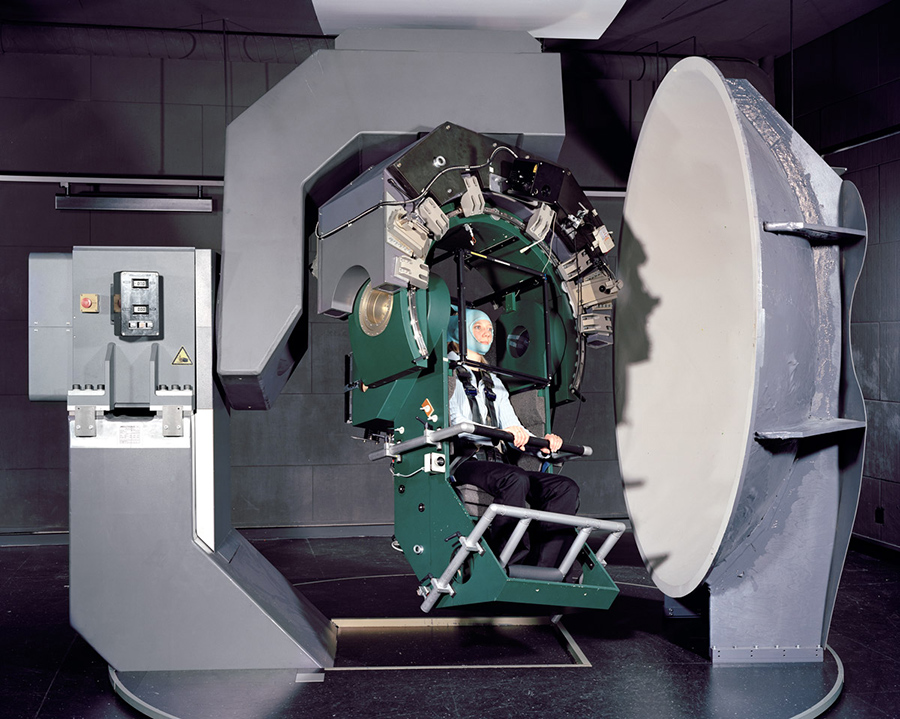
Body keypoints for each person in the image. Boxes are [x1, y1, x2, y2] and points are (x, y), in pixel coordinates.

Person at [447, 309, 580, 576]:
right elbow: (455, 422)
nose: (487, 334)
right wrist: (499, 433)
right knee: (514, 479)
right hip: (467, 460)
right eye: (478, 328)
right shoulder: (448, 374)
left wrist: (541, 445)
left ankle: (544, 568)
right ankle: (507, 561)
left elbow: (514, 427)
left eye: (490, 329)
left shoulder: (494, 381)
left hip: (500, 464)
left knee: (564, 488)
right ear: (459, 331)